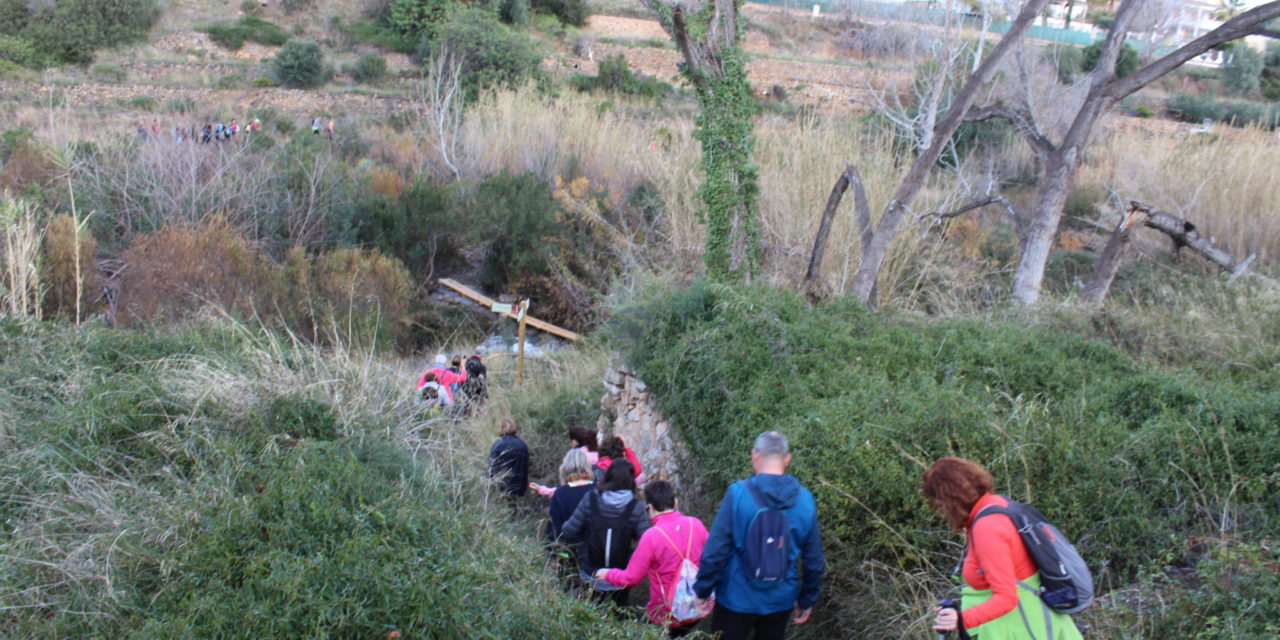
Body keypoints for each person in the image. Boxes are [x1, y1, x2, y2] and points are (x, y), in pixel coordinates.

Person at [925, 457, 1083, 640]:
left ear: (951, 499)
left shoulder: (988, 527)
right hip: (1030, 620)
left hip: (1022, 627)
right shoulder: (998, 505)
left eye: (939, 503)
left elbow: (1007, 598)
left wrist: (961, 619)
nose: (941, 511)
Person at [693, 431, 825, 640]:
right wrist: (806, 599)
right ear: (787, 459)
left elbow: (715, 551)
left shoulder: (738, 494)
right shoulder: (805, 500)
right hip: (780, 600)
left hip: (735, 598)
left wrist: (702, 590)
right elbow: (814, 561)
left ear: (755, 455)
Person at [594, 480, 710, 637]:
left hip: (666, 615)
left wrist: (607, 574)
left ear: (649, 507)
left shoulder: (652, 536)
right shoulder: (695, 524)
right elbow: (712, 558)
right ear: (675, 502)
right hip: (698, 607)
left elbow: (631, 578)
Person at [561, 460, 649, 607]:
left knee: (590, 614)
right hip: (620, 576)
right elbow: (648, 542)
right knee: (618, 615)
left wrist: (583, 550)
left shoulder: (591, 499)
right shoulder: (636, 508)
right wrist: (633, 558)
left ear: (607, 477)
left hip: (591, 573)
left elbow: (568, 530)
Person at [532, 448, 596, 540]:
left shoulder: (560, 493)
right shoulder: (598, 490)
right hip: (595, 549)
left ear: (565, 467)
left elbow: (555, 528)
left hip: (568, 547)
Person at [488, 419, 529, 498]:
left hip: (503, 487)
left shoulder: (498, 445)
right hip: (520, 486)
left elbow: (492, 467)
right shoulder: (522, 444)